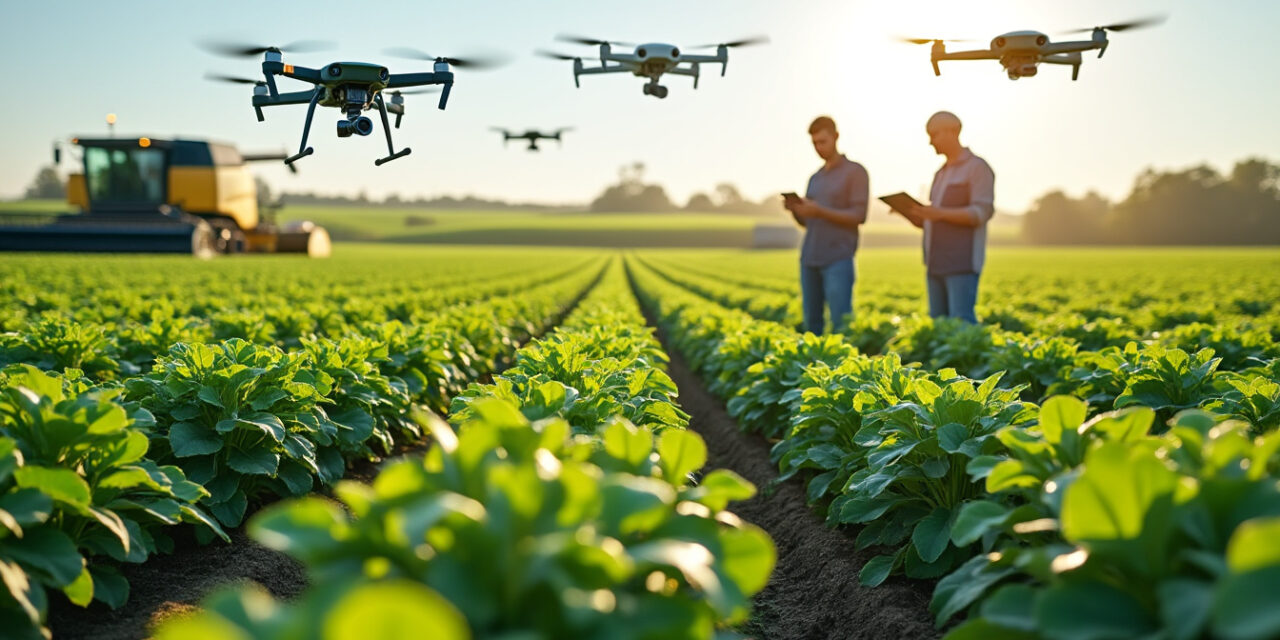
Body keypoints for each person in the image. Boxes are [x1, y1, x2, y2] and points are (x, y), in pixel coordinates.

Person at [895, 111, 995, 324]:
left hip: (962, 263)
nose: (931, 142)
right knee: (938, 326)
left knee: (962, 325)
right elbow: (935, 220)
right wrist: (913, 214)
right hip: (935, 262)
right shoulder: (940, 173)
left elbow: (981, 213)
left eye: (934, 134)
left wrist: (938, 213)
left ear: (954, 131)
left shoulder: (977, 168)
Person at [784, 116, 869, 335]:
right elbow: (809, 222)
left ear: (836, 137)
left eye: (823, 142)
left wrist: (819, 210)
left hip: (838, 257)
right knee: (811, 325)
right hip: (810, 256)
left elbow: (859, 215)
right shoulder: (815, 178)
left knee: (841, 323)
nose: (818, 148)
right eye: (814, 144)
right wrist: (797, 211)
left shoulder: (855, 172)